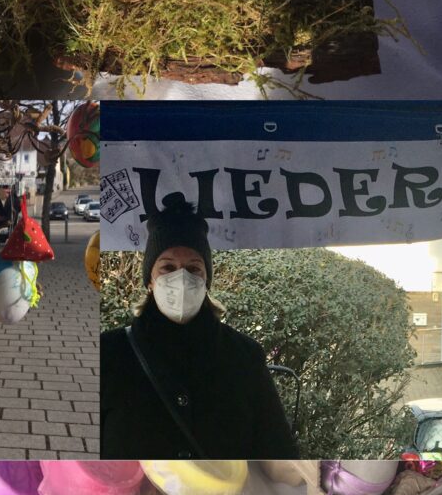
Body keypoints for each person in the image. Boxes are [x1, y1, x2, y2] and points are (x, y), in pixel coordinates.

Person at [100, 193, 299, 459]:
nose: (180, 277)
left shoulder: (244, 356)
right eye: (167, 267)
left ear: (207, 281)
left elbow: (279, 452)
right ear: (149, 280)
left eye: (194, 269)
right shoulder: (109, 353)